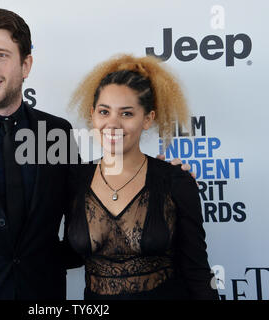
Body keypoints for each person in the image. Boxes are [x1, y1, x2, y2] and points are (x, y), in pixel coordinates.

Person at [0, 8, 192, 300]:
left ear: (26, 65)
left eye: (2, 54)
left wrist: (157, 178)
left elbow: (87, 208)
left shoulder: (55, 133)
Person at [67, 54, 219, 300]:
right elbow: (64, 254)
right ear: (93, 114)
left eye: (127, 114)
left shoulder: (175, 181)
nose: (112, 123)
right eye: (104, 112)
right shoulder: (74, 180)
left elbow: (197, 270)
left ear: (148, 118)